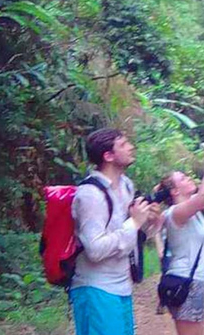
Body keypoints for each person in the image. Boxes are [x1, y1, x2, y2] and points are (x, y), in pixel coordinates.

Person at [70, 128, 160, 335]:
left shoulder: (127, 185)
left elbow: (130, 236)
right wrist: (134, 223)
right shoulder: (90, 194)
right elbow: (95, 250)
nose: (131, 147)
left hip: (121, 285)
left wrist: (148, 220)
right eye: (123, 144)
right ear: (108, 156)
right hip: (96, 287)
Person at [158, 144, 204, 335]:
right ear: (174, 191)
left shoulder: (191, 209)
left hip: (192, 280)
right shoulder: (177, 213)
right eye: (183, 178)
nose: (189, 178)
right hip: (185, 280)